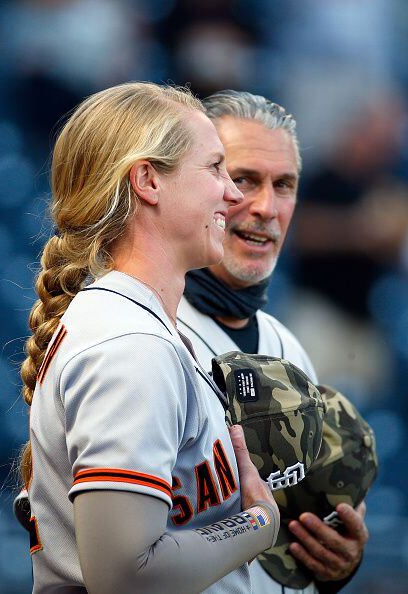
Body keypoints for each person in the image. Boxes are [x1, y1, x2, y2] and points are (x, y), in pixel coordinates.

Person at [19, 82, 281, 593]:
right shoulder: (129, 344)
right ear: (147, 181)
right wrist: (259, 524)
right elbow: (124, 578)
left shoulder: (136, 326)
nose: (234, 192)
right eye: (213, 168)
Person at [177, 90, 369, 594]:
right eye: (243, 180)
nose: (266, 208)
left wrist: (334, 555)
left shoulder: (288, 347)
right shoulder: (144, 334)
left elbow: (296, 527)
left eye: (283, 185)